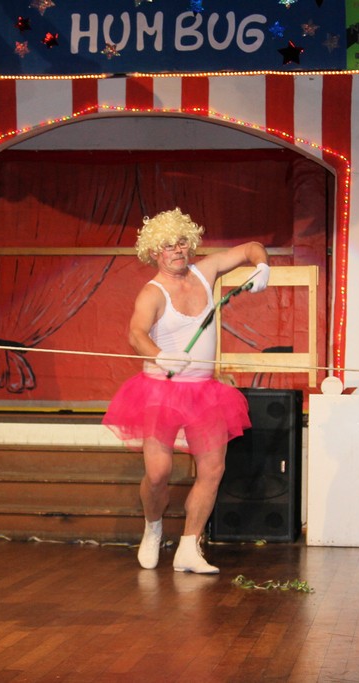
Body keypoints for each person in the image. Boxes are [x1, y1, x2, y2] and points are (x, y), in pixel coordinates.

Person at [103, 208, 270, 574]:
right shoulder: (152, 293)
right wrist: (161, 355)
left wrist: (262, 266)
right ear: (154, 252)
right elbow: (136, 334)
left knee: (212, 469)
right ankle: (152, 528)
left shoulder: (205, 271)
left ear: (190, 243)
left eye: (181, 242)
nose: (177, 250)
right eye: (167, 245)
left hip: (204, 392)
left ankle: (189, 548)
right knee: (158, 473)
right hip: (160, 391)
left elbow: (251, 247)